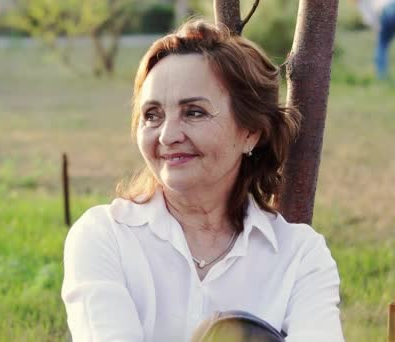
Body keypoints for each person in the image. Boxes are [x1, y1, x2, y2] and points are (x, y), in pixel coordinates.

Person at [61, 18, 344, 341]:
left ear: (251, 131)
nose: (167, 136)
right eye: (152, 115)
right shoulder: (104, 238)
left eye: (194, 112)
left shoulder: (300, 256)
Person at [357, 0, 395, 79]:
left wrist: (377, 29)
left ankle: (381, 76)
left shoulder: (363, 4)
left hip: (387, 12)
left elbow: (372, 20)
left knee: (382, 44)